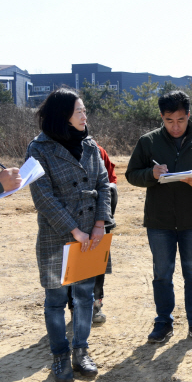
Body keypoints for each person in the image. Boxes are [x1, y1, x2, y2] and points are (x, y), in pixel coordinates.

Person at [27, 88, 112, 381]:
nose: (85, 116)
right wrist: (72, 229)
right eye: (80, 111)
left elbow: (104, 183)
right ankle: (60, 356)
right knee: (55, 299)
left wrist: (100, 223)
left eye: (84, 111)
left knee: (85, 297)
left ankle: (81, 351)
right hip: (57, 235)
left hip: (91, 232)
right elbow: (43, 196)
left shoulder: (89, 143)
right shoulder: (38, 148)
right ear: (63, 115)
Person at [126, 90, 192, 344]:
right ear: (162, 117)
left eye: (180, 120)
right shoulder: (148, 141)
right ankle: (163, 323)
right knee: (162, 274)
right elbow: (131, 174)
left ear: (188, 115)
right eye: (169, 121)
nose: (175, 126)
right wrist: (151, 174)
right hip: (159, 222)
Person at [67, 143, 118, 323]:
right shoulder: (51, 149)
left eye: (83, 112)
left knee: (96, 264)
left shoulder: (95, 149)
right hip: (69, 221)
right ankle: (74, 307)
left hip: (96, 218)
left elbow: (110, 183)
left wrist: (102, 220)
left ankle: (96, 305)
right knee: (70, 264)